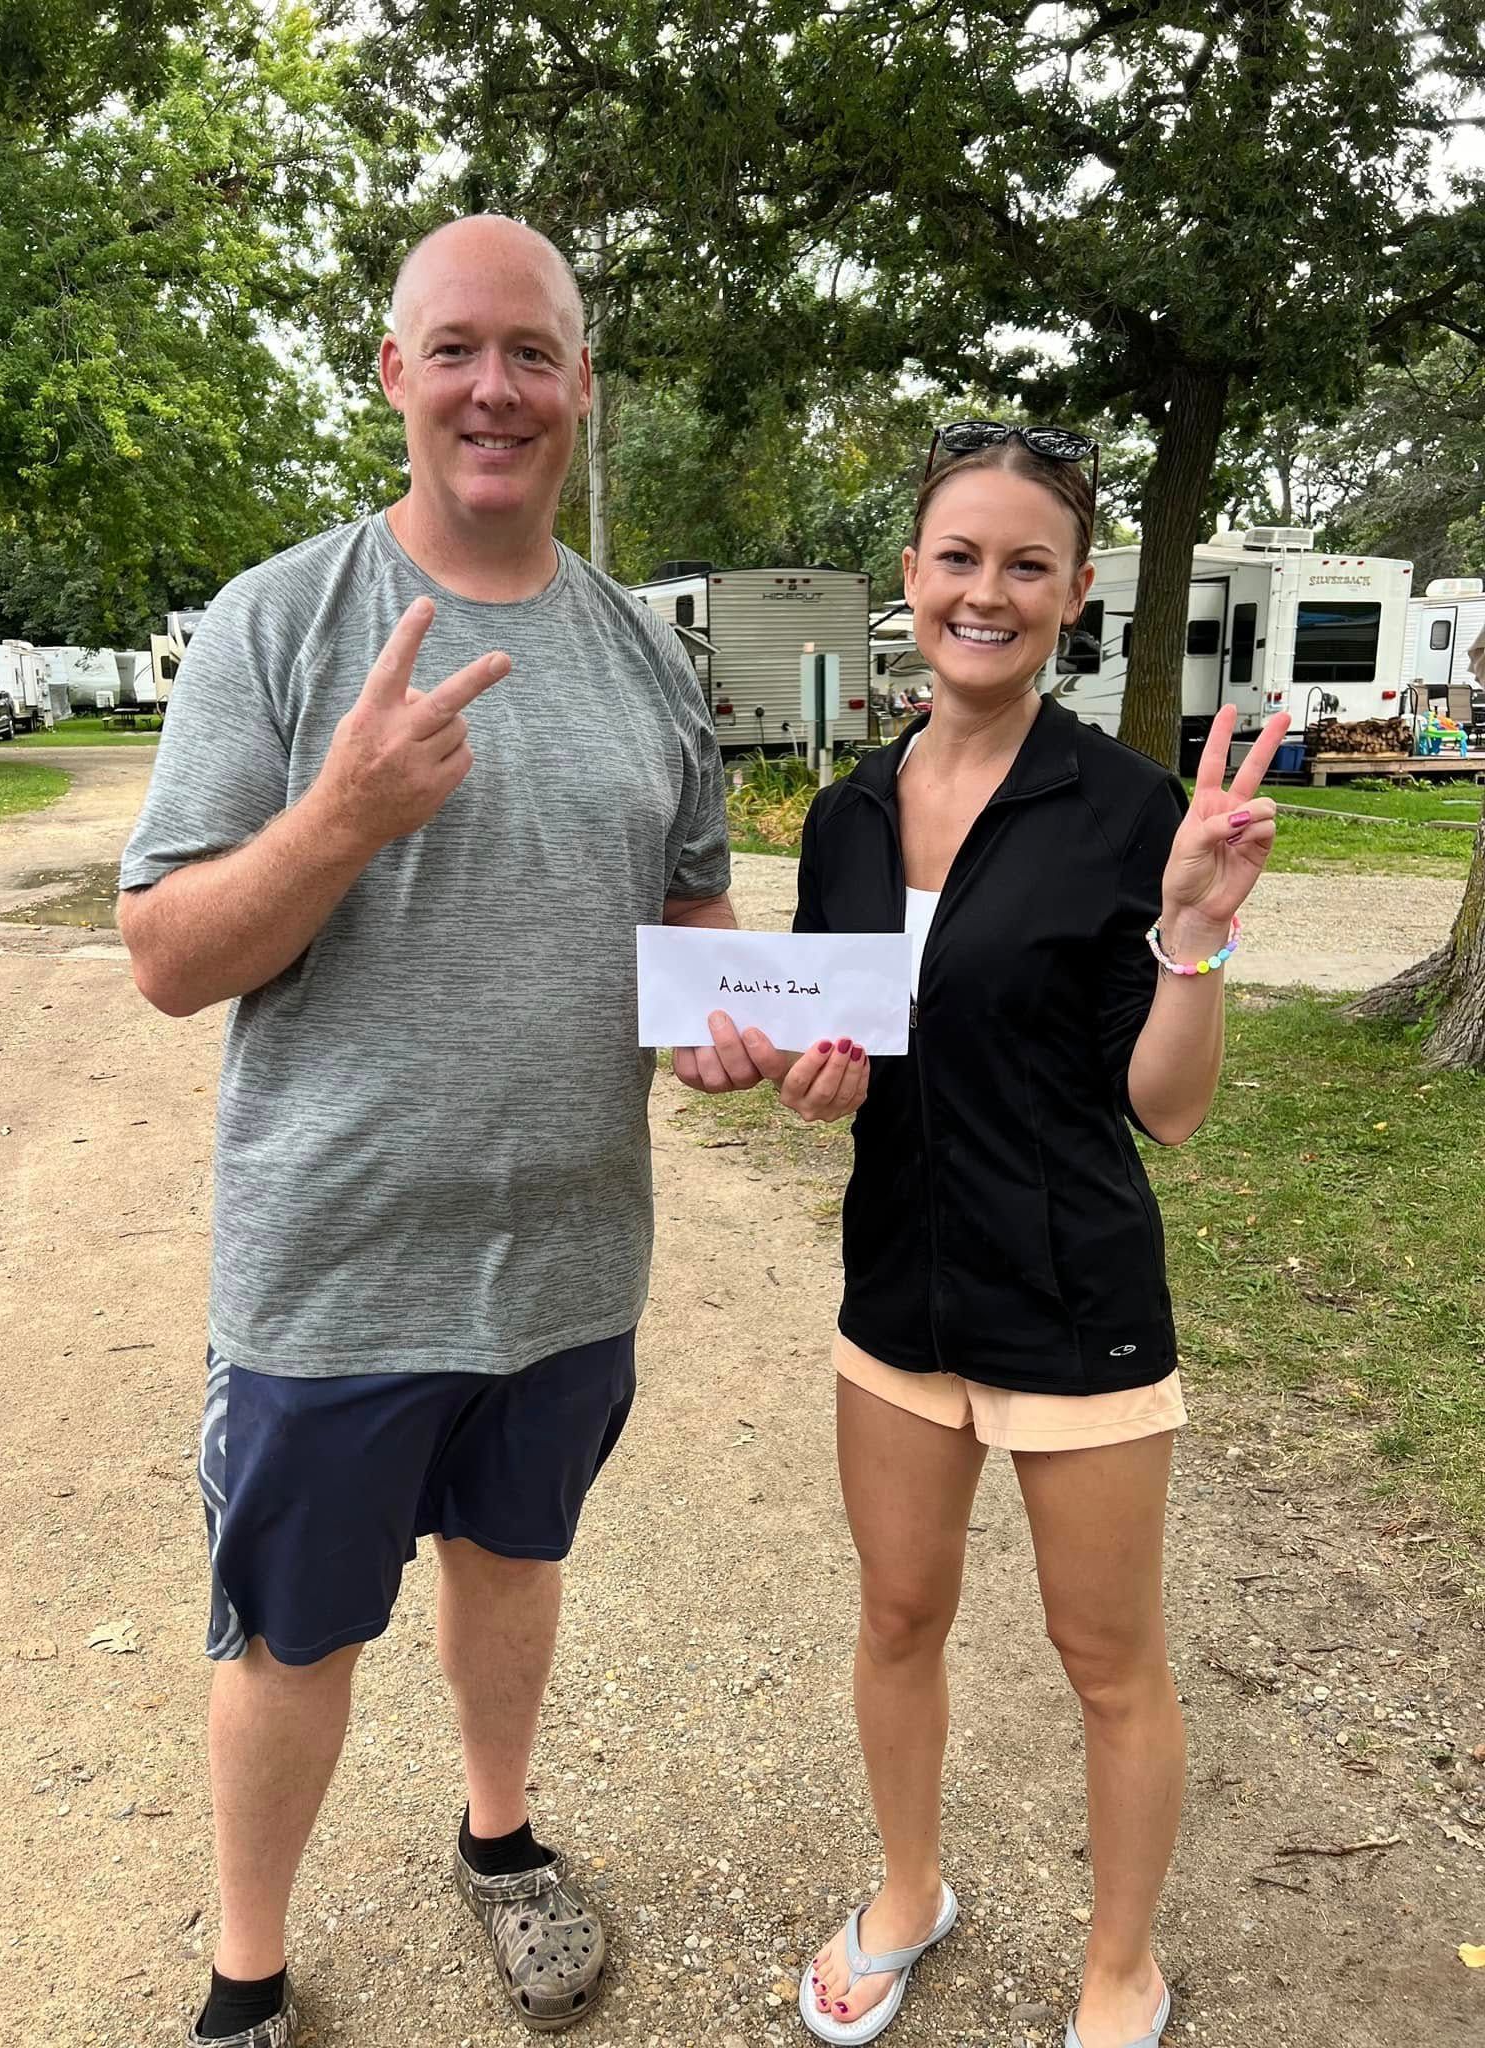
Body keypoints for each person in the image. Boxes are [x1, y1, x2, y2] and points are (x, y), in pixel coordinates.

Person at [118, 215, 741, 2045]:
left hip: (566, 1260)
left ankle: (499, 1838)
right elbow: (165, 954)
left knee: (514, 1568)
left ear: (580, 392)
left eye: (532, 353)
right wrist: (343, 819)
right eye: (456, 348)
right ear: (394, 375)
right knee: (294, 1634)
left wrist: (741, 1019)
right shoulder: (281, 621)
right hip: (337, 1267)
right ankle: (248, 1970)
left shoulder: (638, 653)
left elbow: (689, 915)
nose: (495, 387)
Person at [685, 422, 1289, 2048]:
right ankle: (908, 1892)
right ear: (910, 579)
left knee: (1108, 1660)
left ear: (1077, 592)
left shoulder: (1129, 808)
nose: (988, 591)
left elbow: (1164, 1109)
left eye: (1029, 564)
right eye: (960, 556)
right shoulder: (847, 816)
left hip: (1075, 1301)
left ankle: (1120, 1965)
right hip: (896, 1299)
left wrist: (1193, 938)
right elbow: (853, 1053)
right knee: (896, 1619)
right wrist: (809, 1082)